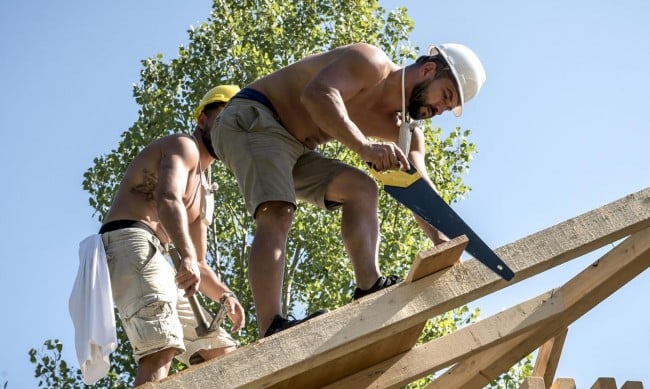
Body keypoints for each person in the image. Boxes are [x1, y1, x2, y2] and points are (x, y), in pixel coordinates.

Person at [211, 43, 486, 338]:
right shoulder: (371, 63)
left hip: (296, 148)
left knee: (361, 188)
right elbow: (317, 95)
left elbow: (418, 184)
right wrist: (364, 147)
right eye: (445, 96)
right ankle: (271, 327)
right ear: (429, 69)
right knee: (277, 210)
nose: (440, 110)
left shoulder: (405, 132)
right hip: (256, 117)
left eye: (448, 107)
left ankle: (368, 286)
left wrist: (441, 239)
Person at [99, 85, 246, 385]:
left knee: (223, 352)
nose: (231, 128)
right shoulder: (183, 146)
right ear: (203, 121)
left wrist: (225, 295)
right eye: (224, 117)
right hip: (131, 240)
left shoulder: (205, 193)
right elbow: (168, 199)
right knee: (161, 347)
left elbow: (199, 265)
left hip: (156, 258)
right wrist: (188, 257)